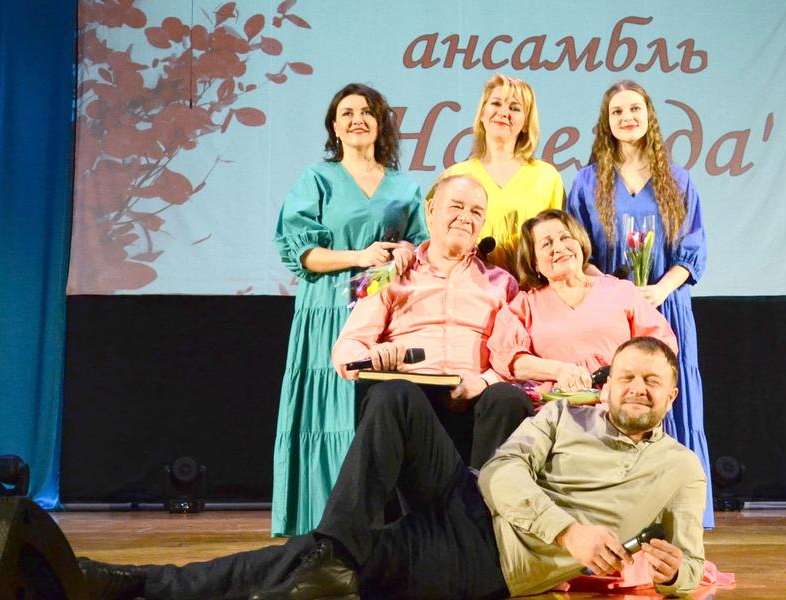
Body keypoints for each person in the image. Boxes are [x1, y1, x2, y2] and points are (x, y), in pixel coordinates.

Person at [80, 337, 706, 600]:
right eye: (627, 375)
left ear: (672, 395)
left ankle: (138, 585)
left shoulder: (680, 470)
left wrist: (675, 572)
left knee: (311, 559)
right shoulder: (565, 415)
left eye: (652, 380)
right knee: (397, 396)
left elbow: (693, 566)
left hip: (491, 562)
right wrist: (568, 532)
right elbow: (500, 474)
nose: (638, 387)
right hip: (473, 502)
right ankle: (333, 553)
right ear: (606, 385)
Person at [271, 83, 428, 536]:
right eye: (347, 113)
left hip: (384, 315)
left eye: (367, 112)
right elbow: (303, 255)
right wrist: (360, 256)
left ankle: (375, 527)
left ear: (381, 125)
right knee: (327, 413)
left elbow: (422, 247)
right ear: (335, 128)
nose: (358, 119)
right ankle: (322, 524)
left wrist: (406, 252)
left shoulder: (405, 187)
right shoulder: (317, 179)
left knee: (372, 416)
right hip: (328, 311)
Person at [565, 80, 713, 528]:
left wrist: (659, 291)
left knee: (670, 400)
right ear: (606, 122)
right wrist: (617, 292)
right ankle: (622, 510)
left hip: (665, 308)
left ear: (649, 116)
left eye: (634, 109)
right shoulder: (587, 182)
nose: (627, 117)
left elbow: (692, 251)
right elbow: (578, 252)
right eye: (617, 112)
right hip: (612, 311)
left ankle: (680, 510)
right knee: (620, 401)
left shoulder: (678, 180)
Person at [331, 174, 530, 469]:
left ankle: (484, 494)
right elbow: (347, 349)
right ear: (431, 210)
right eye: (456, 207)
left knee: (508, 398)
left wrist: (484, 382)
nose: (466, 218)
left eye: (476, 212)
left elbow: (514, 358)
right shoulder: (391, 273)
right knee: (390, 394)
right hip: (411, 401)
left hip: (475, 404)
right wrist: (373, 356)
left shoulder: (503, 283)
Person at [488, 208, 678, 393]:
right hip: (555, 407)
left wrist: (623, 376)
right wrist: (560, 371)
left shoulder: (621, 291)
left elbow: (661, 347)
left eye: (565, 237)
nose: (559, 248)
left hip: (620, 404)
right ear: (534, 262)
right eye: (546, 244)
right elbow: (507, 359)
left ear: (580, 243)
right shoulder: (524, 305)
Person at [431, 74, 564, 275]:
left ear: (526, 122)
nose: (503, 113)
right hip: (466, 287)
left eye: (514, 108)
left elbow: (558, 241)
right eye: (496, 103)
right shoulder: (455, 176)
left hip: (528, 288)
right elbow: (431, 241)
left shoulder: (547, 177)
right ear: (482, 114)